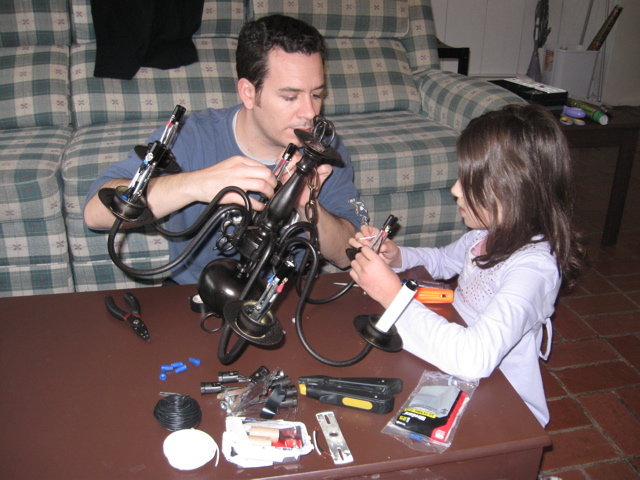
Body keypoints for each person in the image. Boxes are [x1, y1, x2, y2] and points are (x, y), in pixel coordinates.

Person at [348, 103, 586, 427]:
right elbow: (444, 259)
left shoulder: (533, 270)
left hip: (503, 403)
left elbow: (474, 359)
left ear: (511, 190)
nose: (455, 189)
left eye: (469, 180)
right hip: (454, 358)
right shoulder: (485, 235)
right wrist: (397, 256)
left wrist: (392, 295)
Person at [84, 14, 368, 285]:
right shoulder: (192, 136)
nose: (309, 112)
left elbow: (347, 255)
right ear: (248, 92)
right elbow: (95, 213)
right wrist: (197, 184)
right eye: (290, 96)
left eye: (317, 94)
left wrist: (305, 202)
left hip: (284, 295)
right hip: (195, 295)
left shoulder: (324, 150)